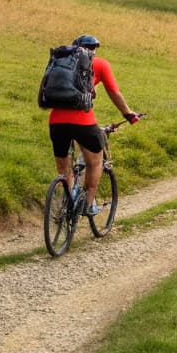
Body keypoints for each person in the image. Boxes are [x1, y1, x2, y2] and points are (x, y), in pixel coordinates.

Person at [47, 34, 139, 217]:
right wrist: (128, 114)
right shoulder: (100, 64)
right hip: (83, 122)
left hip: (56, 121)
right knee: (96, 162)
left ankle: (68, 205)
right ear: (94, 50)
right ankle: (88, 205)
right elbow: (114, 92)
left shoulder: (61, 65)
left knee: (65, 170)